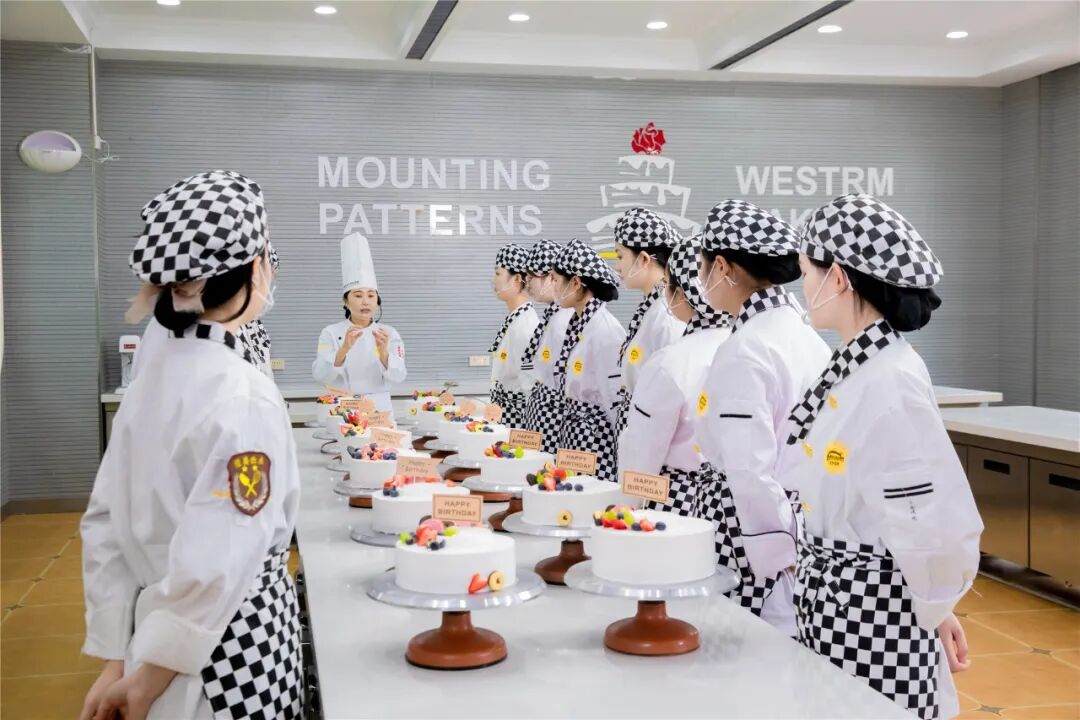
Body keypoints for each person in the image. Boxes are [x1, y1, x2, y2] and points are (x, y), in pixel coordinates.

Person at [80, 170, 303, 720]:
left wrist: (117, 656)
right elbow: (222, 554)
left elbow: (103, 520)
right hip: (229, 647)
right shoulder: (243, 392)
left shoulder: (148, 382)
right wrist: (150, 678)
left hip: (151, 637)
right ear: (255, 271)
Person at [783, 194, 982, 720]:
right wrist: (935, 606)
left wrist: (936, 606)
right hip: (840, 602)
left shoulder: (888, 379)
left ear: (838, 277)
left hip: (870, 613)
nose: (803, 286)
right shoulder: (854, 368)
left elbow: (930, 523)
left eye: (807, 272)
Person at [693, 199, 831, 635]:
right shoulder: (805, 334)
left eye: (701, 266)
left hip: (751, 529)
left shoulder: (747, 347)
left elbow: (748, 468)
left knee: (743, 644)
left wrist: (779, 556)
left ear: (721, 266)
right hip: (800, 518)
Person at [617, 234, 730, 515]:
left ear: (681, 294)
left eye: (667, 284)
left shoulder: (669, 362)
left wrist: (626, 506)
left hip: (675, 499)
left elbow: (643, 449)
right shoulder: (741, 345)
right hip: (729, 504)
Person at [132, 246, 280, 383]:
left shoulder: (251, 328)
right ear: (254, 273)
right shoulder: (213, 331)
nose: (268, 287)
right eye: (268, 275)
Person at [550, 239, 625, 482]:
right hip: (575, 432)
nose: (553, 287)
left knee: (590, 497)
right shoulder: (579, 323)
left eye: (556, 280)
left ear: (575, 283)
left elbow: (615, 399)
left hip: (594, 438)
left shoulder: (605, 330)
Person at [610, 208, 685, 435]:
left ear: (643, 259)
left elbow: (671, 392)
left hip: (651, 432)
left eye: (620, 256)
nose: (617, 267)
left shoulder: (666, 313)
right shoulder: (652, 308)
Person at [312, 233, 406, 411]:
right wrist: (344, 349)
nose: (365, 302)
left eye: (371, 295)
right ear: (345, 301)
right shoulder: (330, 332)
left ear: (377, 301)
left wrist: (384, 353)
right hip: (344, 408)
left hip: (380, 409)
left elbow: (399, 376)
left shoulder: (388, 334)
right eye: (358, 295)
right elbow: (320, 375)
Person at [520, 239, 573, 452]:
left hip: (552, 418)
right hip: (539, 413)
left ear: (551, 278)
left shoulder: (565, 320)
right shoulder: (552, 316)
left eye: (532, 277)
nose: (527, 283)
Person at [488, 244, 540, 427]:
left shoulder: (526, 327)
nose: (493, 280)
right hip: (503, 415)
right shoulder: (515, 320)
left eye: (498, 273)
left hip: (517, 421)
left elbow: (531, 386)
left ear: (517, 279)